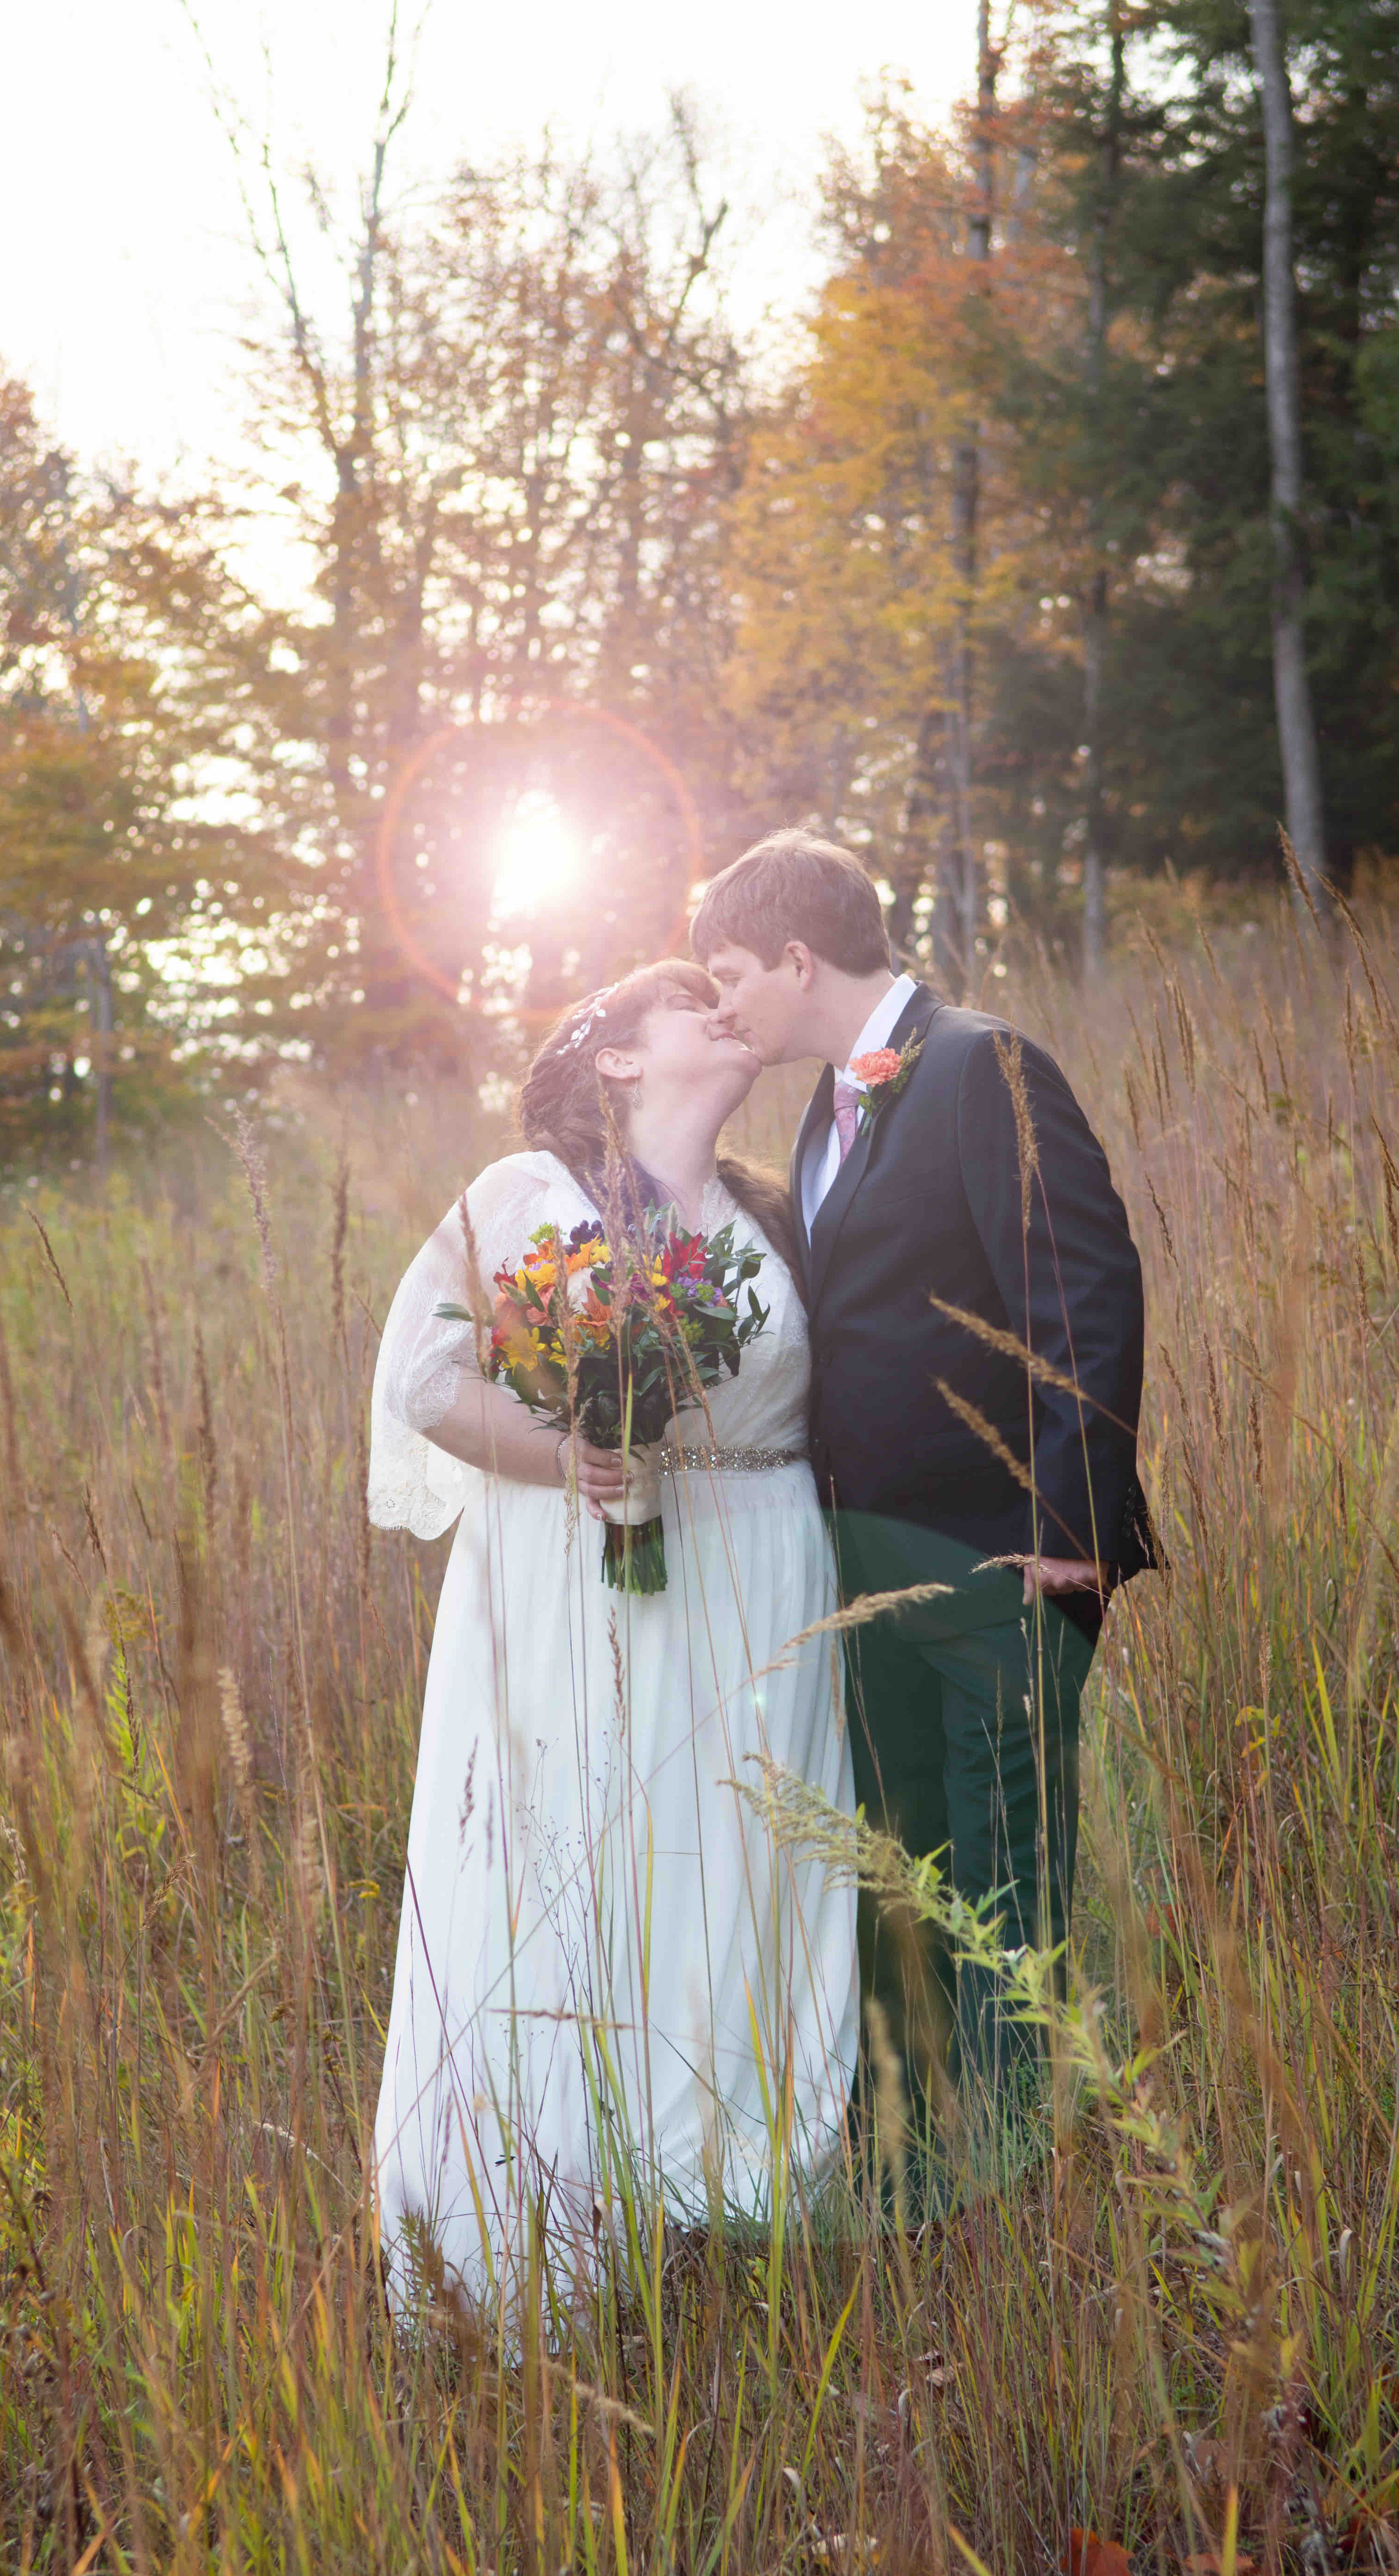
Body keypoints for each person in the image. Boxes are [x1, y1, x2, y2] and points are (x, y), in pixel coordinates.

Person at [367, 958, 858, 2321]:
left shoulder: (775, 1204)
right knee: (610, 1870)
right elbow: (424, 1379)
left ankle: (751, 2208)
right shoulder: (537, 1194)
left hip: (774, 1570)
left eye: (726, 995)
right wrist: (574, 1443)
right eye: (688, 1002)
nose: (722, 1013)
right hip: (602, 1584)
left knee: (762, 1881)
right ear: (622, 1062)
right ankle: (564, 2226)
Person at [692, 829, 1154, 2177]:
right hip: (878, 1565)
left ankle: (1020, 2158)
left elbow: (1084, 1296)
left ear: (797, 956)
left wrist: (1070, 1534)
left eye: (733, 974)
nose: (723, 1006)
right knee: (912, 1853)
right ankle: (914, 2140)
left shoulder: (979, 1063)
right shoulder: (834, 1101)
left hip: (1004, 1553)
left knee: (1010, 1858)